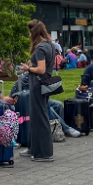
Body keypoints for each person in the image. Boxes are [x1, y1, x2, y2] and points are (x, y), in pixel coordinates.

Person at [21, 20, 56, 162]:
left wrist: (28, 68)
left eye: (30, 32)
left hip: (37, 84)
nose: (29, 34)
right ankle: (34, 148)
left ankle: (44, 152)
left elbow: (40, 69)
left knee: (39, 117)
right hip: (45, 84)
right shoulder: (50, 45)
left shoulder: (40, 48)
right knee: (38, 116)